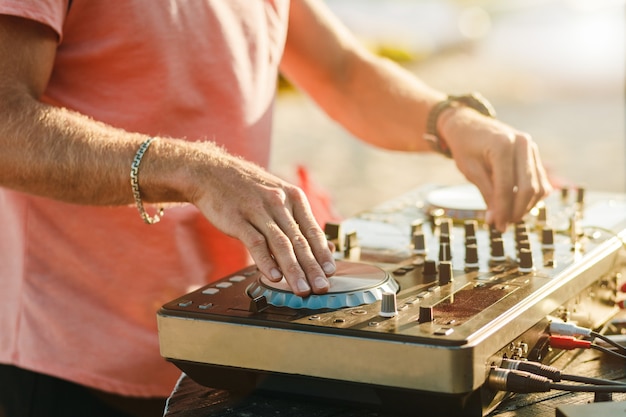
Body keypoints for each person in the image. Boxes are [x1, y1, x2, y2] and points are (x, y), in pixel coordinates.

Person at [0, 0, 552, 416]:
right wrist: (192, 169)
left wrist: (452, 121)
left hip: (235, 352)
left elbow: (342, 72)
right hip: (67, 368)